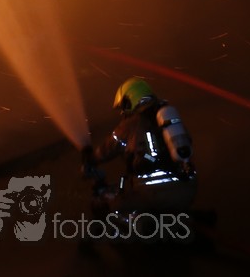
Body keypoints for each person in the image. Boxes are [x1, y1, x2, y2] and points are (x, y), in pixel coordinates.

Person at [82, 76, 197, 216]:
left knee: (109, 206)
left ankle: (135, 227)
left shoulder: (130, 124)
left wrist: (90, 158)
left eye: (123, 106)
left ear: (130, 101)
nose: (122, 112)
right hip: (187, 188)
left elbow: (109, 148)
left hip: (153, 194)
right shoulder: (168, 118)